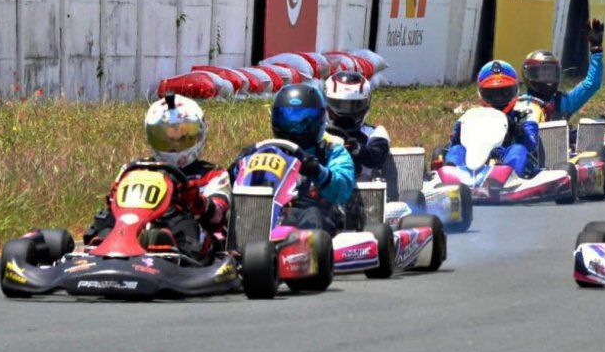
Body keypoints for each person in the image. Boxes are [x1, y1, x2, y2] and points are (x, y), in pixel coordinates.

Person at [83, 94, 231, 261]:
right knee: (109, 220)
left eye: (182, 137)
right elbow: (115, 205)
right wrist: (115, 198)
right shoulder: (136, 169)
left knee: (185, 228)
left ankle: (166, 247)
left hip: (191, 232)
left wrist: (196, 201)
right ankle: (104, 243)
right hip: (138, 225)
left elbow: (218, 215)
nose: (174, 145)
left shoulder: (213, 174)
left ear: (198, 134)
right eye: (165, 138)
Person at [235, 83, 355, 234]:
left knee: (312, 215)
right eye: (287, 117)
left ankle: (309, 254)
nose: (294, 127)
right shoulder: (268, 150)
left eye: (302, 120)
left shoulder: (330, 151)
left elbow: (343, 190)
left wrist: (318, 171)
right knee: (232, 215)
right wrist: (238, 166)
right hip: (269, 211)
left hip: (319, 215)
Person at [444, 60, 540, 177]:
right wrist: (457, 136)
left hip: (509, 165)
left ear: (515, 91)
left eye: (504, 92)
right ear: (481, 94)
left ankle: (505, 175)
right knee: (457, 150)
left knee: (518, 149)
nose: (499, 98)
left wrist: (517, 130)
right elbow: (453, 147)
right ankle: (450, 179)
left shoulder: (524, 115)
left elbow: (532, 144)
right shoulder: (471, 117)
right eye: (492, 94)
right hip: (475, 161)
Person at [519, 18, 605, 122]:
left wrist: (596, 51)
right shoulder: (518, 104)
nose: (548, 80)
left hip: (558, 138)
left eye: (551, 74)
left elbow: (592, 84)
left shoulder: (563, 102)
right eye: (543, 74)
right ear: (528, 74)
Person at [324, 71, 394, 199]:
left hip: (363, 197)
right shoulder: (318, 132)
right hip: (322, 192)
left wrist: (357, 149)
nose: (346, 113)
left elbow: (377, 157)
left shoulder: (375, 132)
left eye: (353, 105)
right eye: (339, 104)